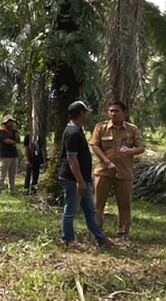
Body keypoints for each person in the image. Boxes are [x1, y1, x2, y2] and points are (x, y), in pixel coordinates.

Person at [59, 100, 113, 248]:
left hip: (81, 178)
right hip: (73, 179)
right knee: (70, 210)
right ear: (81, 114)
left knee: (90, 210)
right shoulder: (72, 133)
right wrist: (79, 181)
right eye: (86, 113)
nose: (87, 115)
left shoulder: (77, 130)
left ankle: (101, 238)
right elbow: (71, 158)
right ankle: (68, 240)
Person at [90, 100, 145, 240]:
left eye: (116, 111)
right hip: (103, 171)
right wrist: (107, 162)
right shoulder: (101, 128)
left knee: (125, 204)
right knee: (98, 203)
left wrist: (131, 151)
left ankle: (123, 232)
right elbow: (95, 146)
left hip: (124, 172)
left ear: (124, 113)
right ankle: (98, 231)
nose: (113, 114)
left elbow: (141, 147)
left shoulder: (132, 129)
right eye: (111, 111)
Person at [0, 115, 19, 195]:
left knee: (12, 174)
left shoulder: (12, 131)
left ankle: (12, 189)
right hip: (5, 155)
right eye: (10, 122)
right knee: (3, 173)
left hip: (13, 155)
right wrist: (14, 142)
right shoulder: (2, 131)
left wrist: (16, 131)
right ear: (6, 122)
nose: (12, 123)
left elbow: (18, 139)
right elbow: (6, 140)